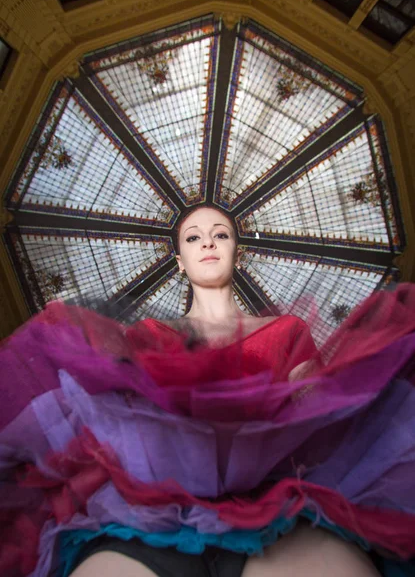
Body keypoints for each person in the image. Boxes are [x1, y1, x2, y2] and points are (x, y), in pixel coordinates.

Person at [1, 204, 415, 577]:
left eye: (221, 234)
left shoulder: (288, 329)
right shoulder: (146, 333)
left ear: (238, 250)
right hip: (151, 506)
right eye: (194, 237)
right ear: (180, 262)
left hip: (281, 500)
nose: (208, 243)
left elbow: (317, 405)